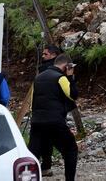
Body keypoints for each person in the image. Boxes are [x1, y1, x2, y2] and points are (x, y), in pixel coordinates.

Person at [29, 54, 79, 181]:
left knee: (32, 155)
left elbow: (32, 101)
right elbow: (73, 95)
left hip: (36, 122)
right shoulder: (60, 78)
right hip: (54, 122)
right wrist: (70, 77)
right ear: (66, 66)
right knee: (70, 149)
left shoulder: (38, 78)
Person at [36, 44, 63, 175]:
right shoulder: (61, 71)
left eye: (45, 54)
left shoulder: (45, 70)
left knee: (38, 140)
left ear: (53, 55)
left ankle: (38, 166)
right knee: (48, 140)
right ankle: (46, 165)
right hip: (55, 111)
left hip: (44, 110)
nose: (43, 56)